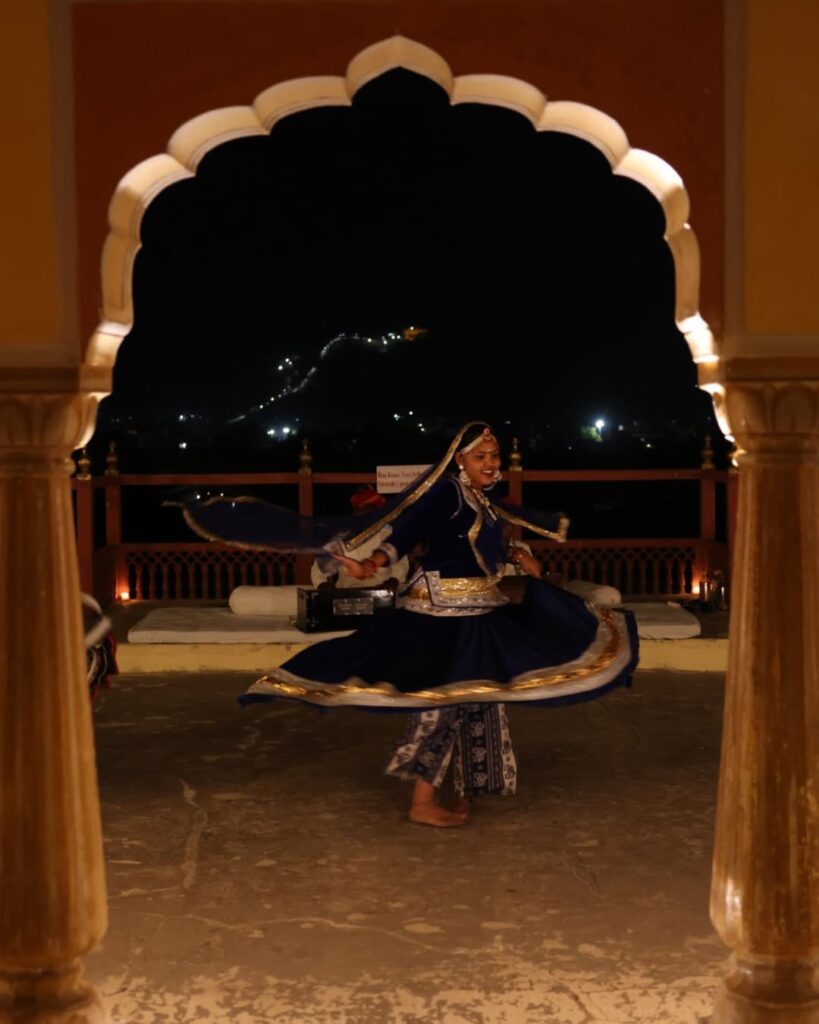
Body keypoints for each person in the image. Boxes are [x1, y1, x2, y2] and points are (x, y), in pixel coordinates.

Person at [228, 422, 638, 827]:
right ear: (459, 460)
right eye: (480, 457)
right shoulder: (447, 493)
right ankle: (422, 801)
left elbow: (482, 548)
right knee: (444, 699)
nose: (491, 463)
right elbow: (408, 531)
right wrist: (373, 562)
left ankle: (468, 786)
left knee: (483, 690)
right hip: (440, 612)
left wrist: (517, 554)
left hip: (479, 608)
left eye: (494, 456)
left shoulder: (484, 499)